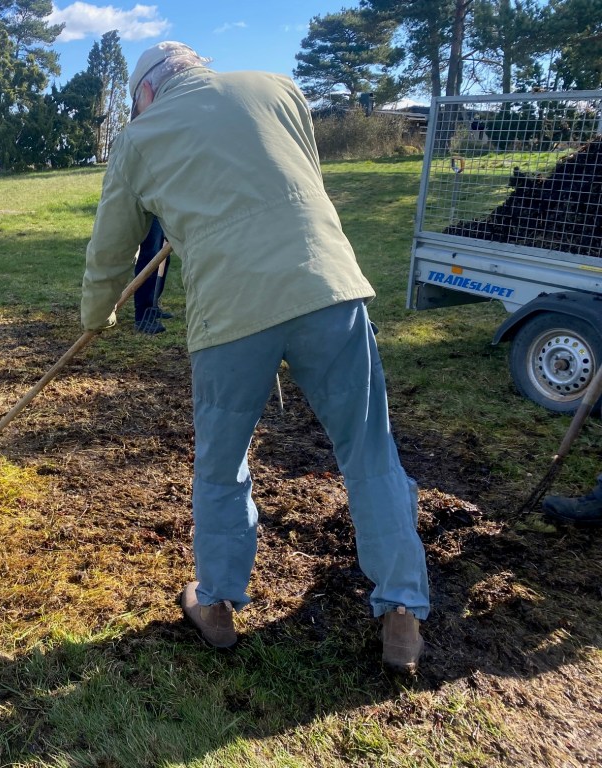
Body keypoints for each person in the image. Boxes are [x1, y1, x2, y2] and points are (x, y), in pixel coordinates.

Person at [80, 41, 430, 672]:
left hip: (232, 311)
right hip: (327, 288)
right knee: (369, 450)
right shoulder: (278, 87)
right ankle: (402, 609)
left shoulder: (137, 139)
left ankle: (215, 603)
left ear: (147, 93)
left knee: (221, 464)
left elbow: (111, 247)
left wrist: (97, 314)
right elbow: (302, 176)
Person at [132, 216, 172, 334]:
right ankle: (143, 316)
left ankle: (153, 306)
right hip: (150, 211)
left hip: (162, 210)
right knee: (150, 256)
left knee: (163, 256)